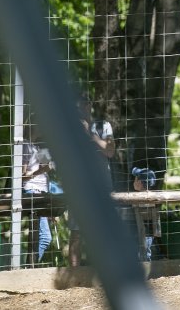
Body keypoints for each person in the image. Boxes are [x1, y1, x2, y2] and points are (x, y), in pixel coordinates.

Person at [68, 94, 116, 266]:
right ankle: (75, 276)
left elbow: (110, 151)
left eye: (83, 105)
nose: (80, 109)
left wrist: (90, 135)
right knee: (77, 232)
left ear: (90, 105)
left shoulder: (103, 126)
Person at [22, 123, 62, 263]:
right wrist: (41, 171)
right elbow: (21, 175)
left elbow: (46, 171)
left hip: (42, 193)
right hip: (32, 191)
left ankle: (29, 268)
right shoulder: (25, 145)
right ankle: (28, 270)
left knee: (43, 237)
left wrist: (49, 209)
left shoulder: (39, 147)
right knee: (45, 238)